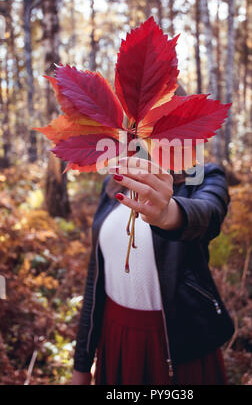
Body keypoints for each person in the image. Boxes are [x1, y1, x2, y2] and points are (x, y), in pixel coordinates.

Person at [71, 154, 235, 385]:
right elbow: (95, 277)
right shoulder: (113, 186)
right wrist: (82, 365)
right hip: (117, 337)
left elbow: (209, 213)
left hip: (180, 339)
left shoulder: (203, 177)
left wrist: (169, 214)